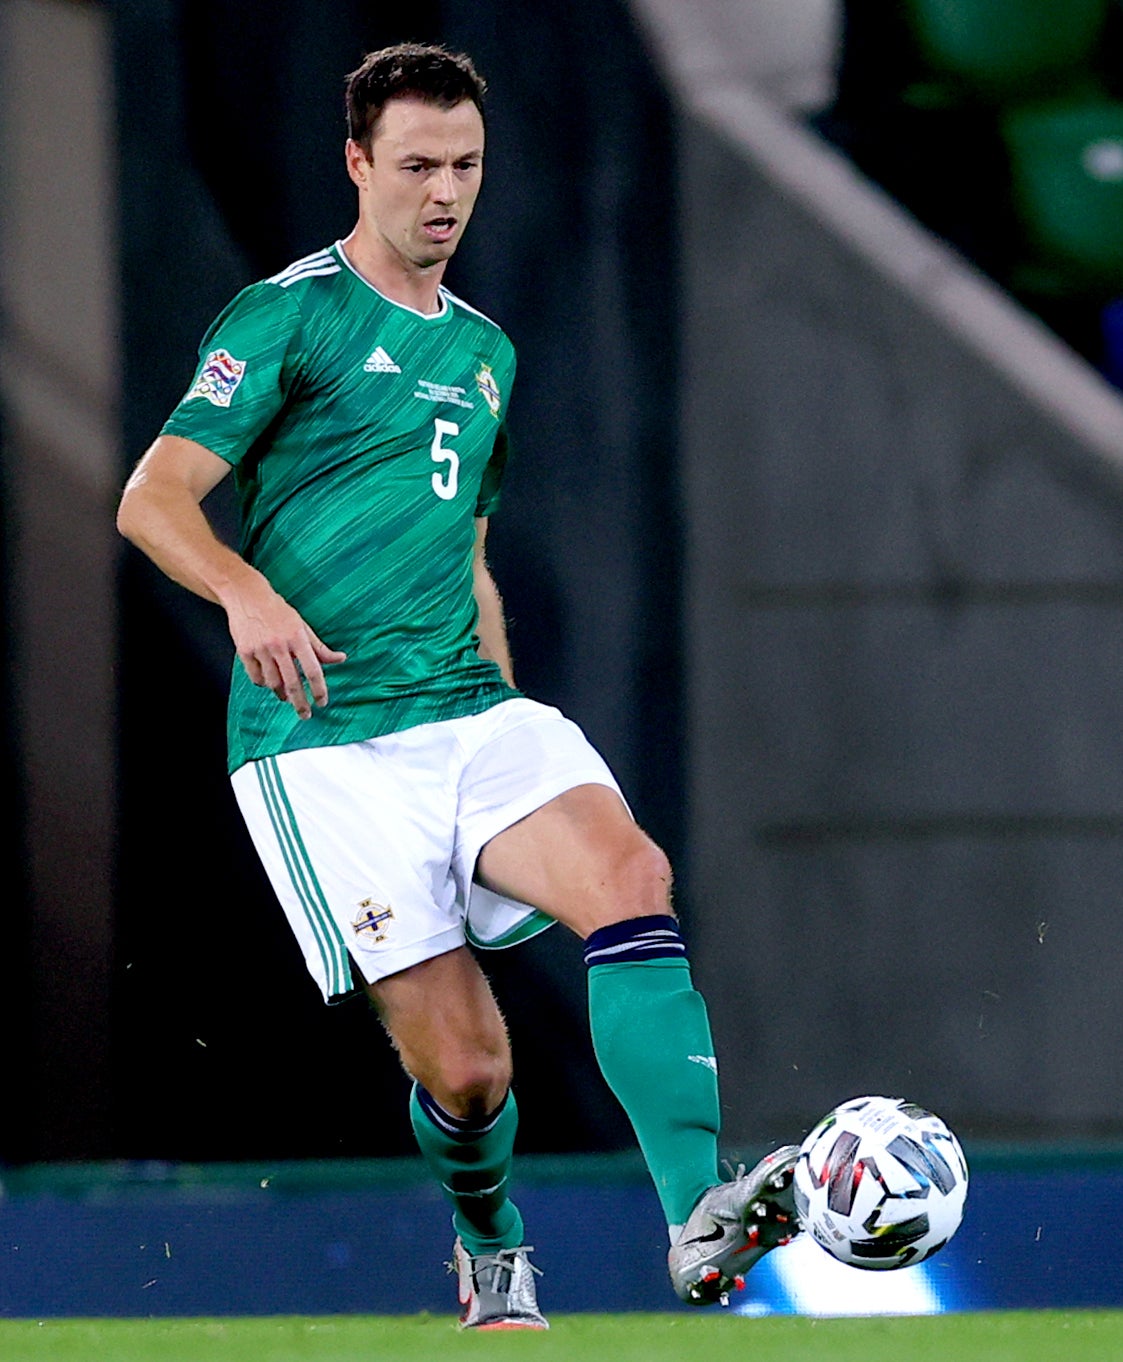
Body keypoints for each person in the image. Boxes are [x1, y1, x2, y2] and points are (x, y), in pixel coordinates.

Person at [116, 42, 799, 1329]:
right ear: (358, 165)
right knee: (474, 1072)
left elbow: (468, 550)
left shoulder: (487, 353)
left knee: (630, 878)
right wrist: (247, 594)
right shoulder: (288, 317)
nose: (444, 192)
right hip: (322, 747)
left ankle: (697, 1211)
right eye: (417, 165)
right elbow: (151, 500)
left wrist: (506, 705)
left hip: (468, 711)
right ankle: (491, 1244)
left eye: (466, 166)